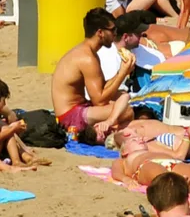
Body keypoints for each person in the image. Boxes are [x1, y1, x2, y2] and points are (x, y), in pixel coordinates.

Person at [51, 8, 135, 139]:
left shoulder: (88, 52)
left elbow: (101, 89)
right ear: (100, 32)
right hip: (70, 116)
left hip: (79, 108)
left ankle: (107, 127)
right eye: (112, 30)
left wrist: (122, 71)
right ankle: (109, 126)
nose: (115, 34)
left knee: (122, 98)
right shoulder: (87, 58)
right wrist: (122, 73)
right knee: (126, 111)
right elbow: (99, 101)